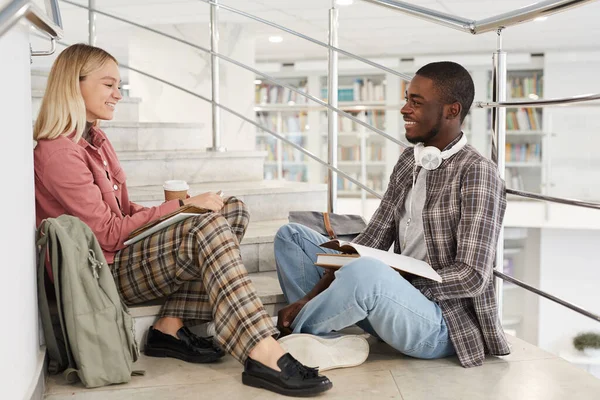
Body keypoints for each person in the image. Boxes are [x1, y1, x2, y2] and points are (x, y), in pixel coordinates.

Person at [33, 43, 332, 396]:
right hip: (100, 273)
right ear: (74, 84)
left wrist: (188, 207)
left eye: (119, 85)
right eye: (109, 84)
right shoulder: (57, 152)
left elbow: (125, 213)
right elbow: (107, 235)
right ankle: (262, 349)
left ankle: (169, 327)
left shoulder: (95, 139)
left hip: (118, 255)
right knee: (205, 225)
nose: (118, 94)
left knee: (230, 209)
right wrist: (180, 210)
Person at [274, 61, 511, 368]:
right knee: (292, 237)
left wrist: (397, 281)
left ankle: (292, 336)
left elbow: (472, 276)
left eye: (416, 102)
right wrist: (309, 297)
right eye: (406, 99)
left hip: (442, 324)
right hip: (393, 302)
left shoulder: (478, 173)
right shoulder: (409, 161)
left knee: (367, 273)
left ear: (452, 111)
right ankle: (323, 337)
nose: (404, 109)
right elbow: (372, 239)